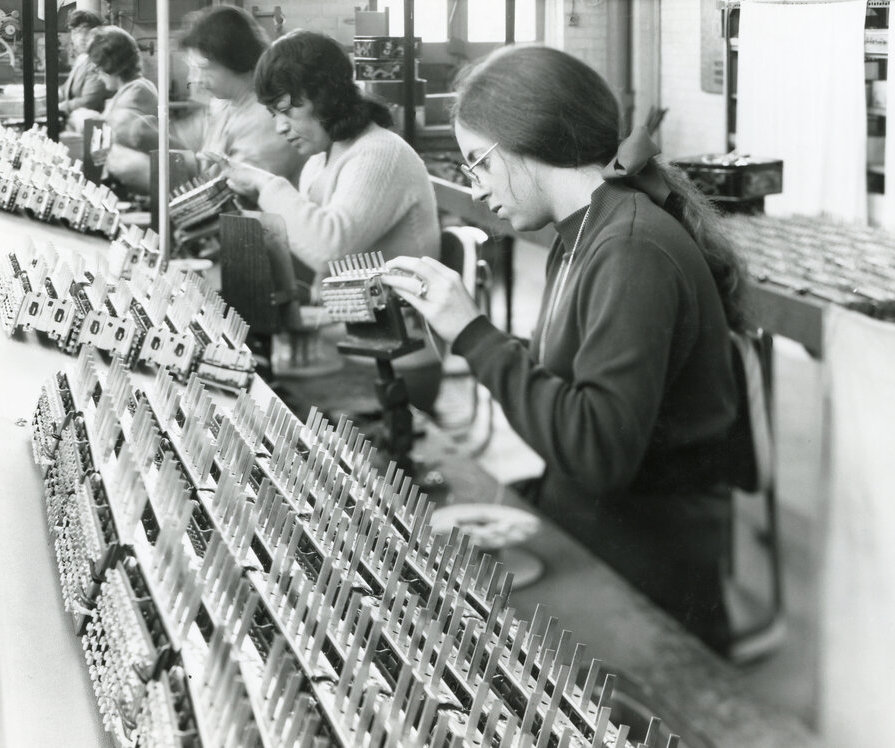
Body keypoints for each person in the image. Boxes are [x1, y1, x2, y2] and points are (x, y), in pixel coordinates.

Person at [383, 46, 748, 654]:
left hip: (645, 567)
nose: (476, 189)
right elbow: (574, 371)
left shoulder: (631, 248)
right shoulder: (580, 233)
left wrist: (476, 335)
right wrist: (462, 332)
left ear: (528, 139)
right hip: (596, 521)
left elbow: (597, 449)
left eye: (479, 164)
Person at [222, 30, 443, 411]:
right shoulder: (321, 161)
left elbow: (330, 247)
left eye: (287, 110)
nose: (279, 126)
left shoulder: (379, 154)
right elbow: (313, 264)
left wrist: (266, 184)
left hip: (393, 362)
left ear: (325, 96)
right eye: (273, 114)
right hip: (349, 340)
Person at [106, 7, 305, 194]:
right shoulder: (223, 103)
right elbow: (190, 143)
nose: (194, 80)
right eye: (192, 68)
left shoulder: (266, 117)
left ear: (233, 58)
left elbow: (233, 193)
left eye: (202, 68)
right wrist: (143, 131)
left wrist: (150, 172)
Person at [70, 27, 158, 154]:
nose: (98, 75)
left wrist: (87, 123)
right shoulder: (132, 88)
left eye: (97, 68)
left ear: (111, 65)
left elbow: (113, 141)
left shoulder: (137, 91)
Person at [58, 10, 109, 121]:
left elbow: (89, 102)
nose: (81, 37)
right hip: (77, 121)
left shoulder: (97, 62)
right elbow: (66, 89)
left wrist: (58, 107)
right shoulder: (82, 58)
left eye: (86, 32)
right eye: (76, 32)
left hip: (93, 125)